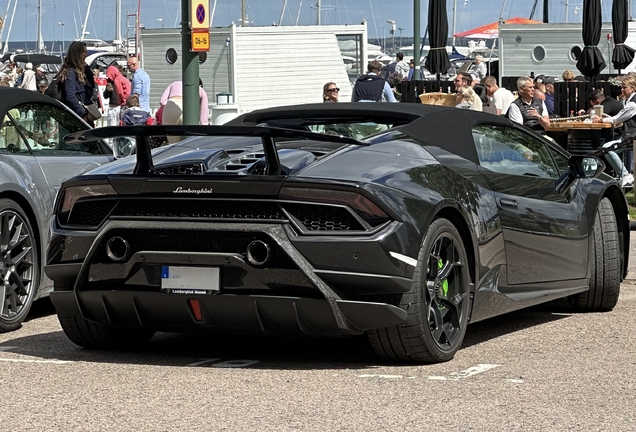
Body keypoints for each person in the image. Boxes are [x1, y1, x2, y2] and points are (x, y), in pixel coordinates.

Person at [59, 41, 97, 125]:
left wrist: (86, 68)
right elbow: (70, 96)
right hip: (78, 117)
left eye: (86, 52)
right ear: (76, 54)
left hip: (85, 115)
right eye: (83, 52)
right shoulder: (71, 72)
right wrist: (83, 114)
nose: (85, 55)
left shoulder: (83, 71)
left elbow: (92, 87)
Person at [160, 79, 209, 143]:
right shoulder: (200, 89)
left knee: (173, 144)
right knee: (188, 143)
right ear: (200, 85)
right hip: (187, 108)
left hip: (170, 107)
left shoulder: (174, 84)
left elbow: (162, 101)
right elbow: (204, 116)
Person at [103, 65, 131, 129]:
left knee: (119, 125)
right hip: (112, 106)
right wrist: (107, 90)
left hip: (119, 106)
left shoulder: (119, 80)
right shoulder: (110, 82)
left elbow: (122, 93)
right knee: (112, 126)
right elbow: (105, 96)